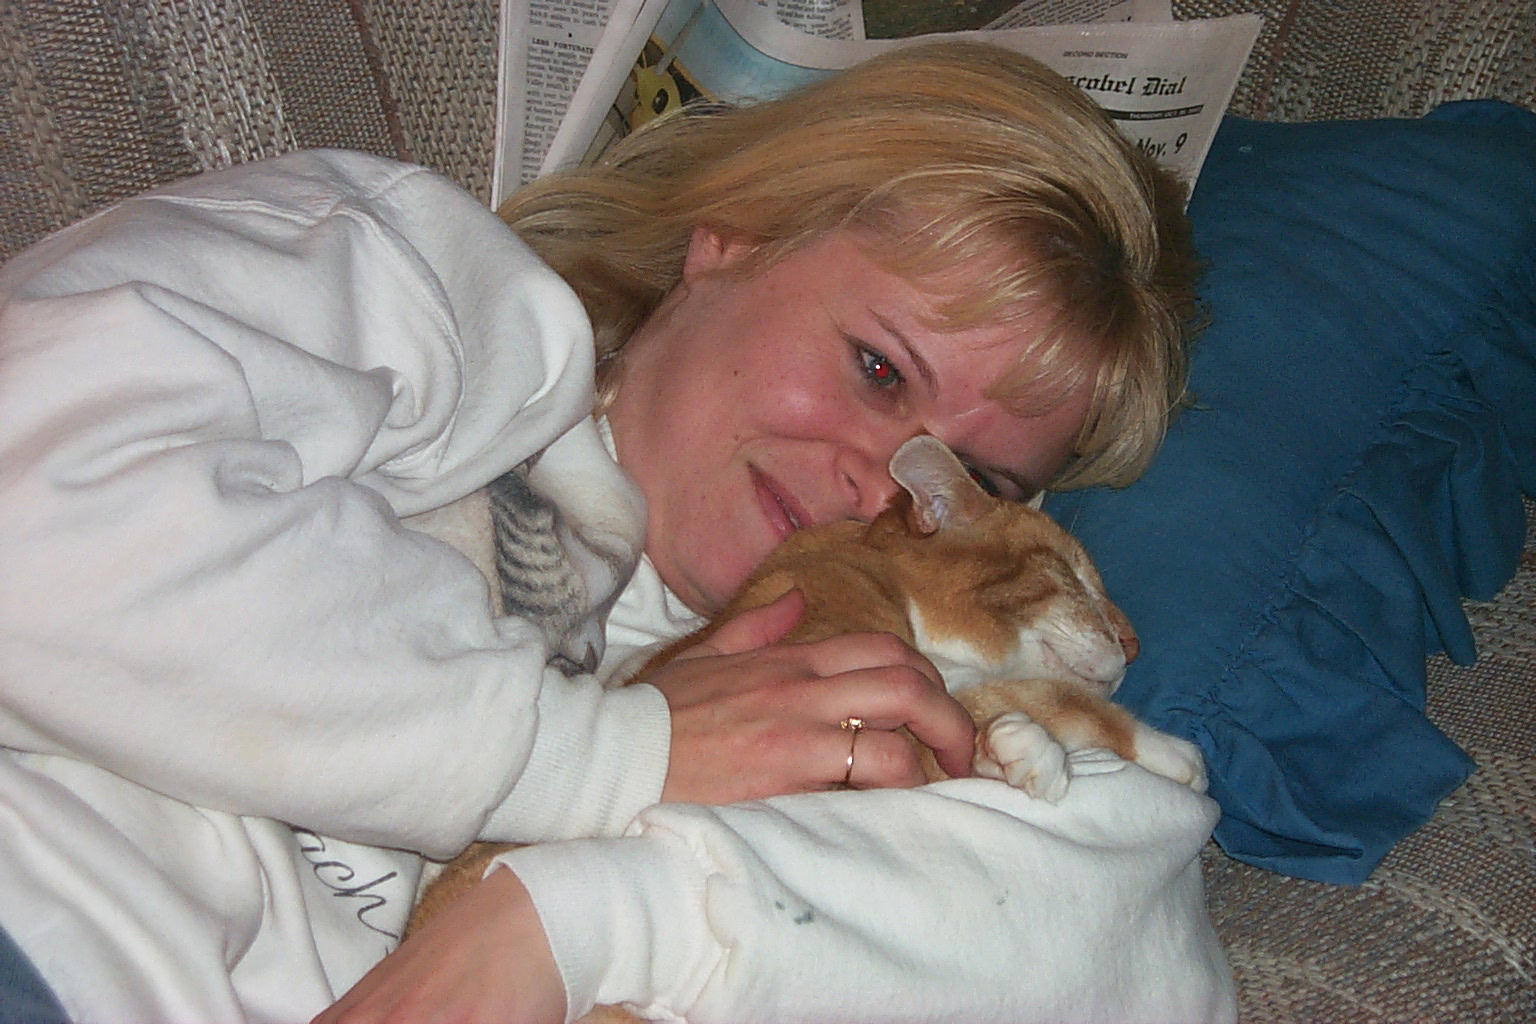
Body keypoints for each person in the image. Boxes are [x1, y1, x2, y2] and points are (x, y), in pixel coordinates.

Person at [0, 40, 1226, 1024]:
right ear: (733, 234)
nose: (883, 490)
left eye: (979, 479)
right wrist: (610, 755)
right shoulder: (436, 298)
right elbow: (37, 508)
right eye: (877, 368)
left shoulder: (871, 685)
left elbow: (1139, 951)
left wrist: (576, 920)